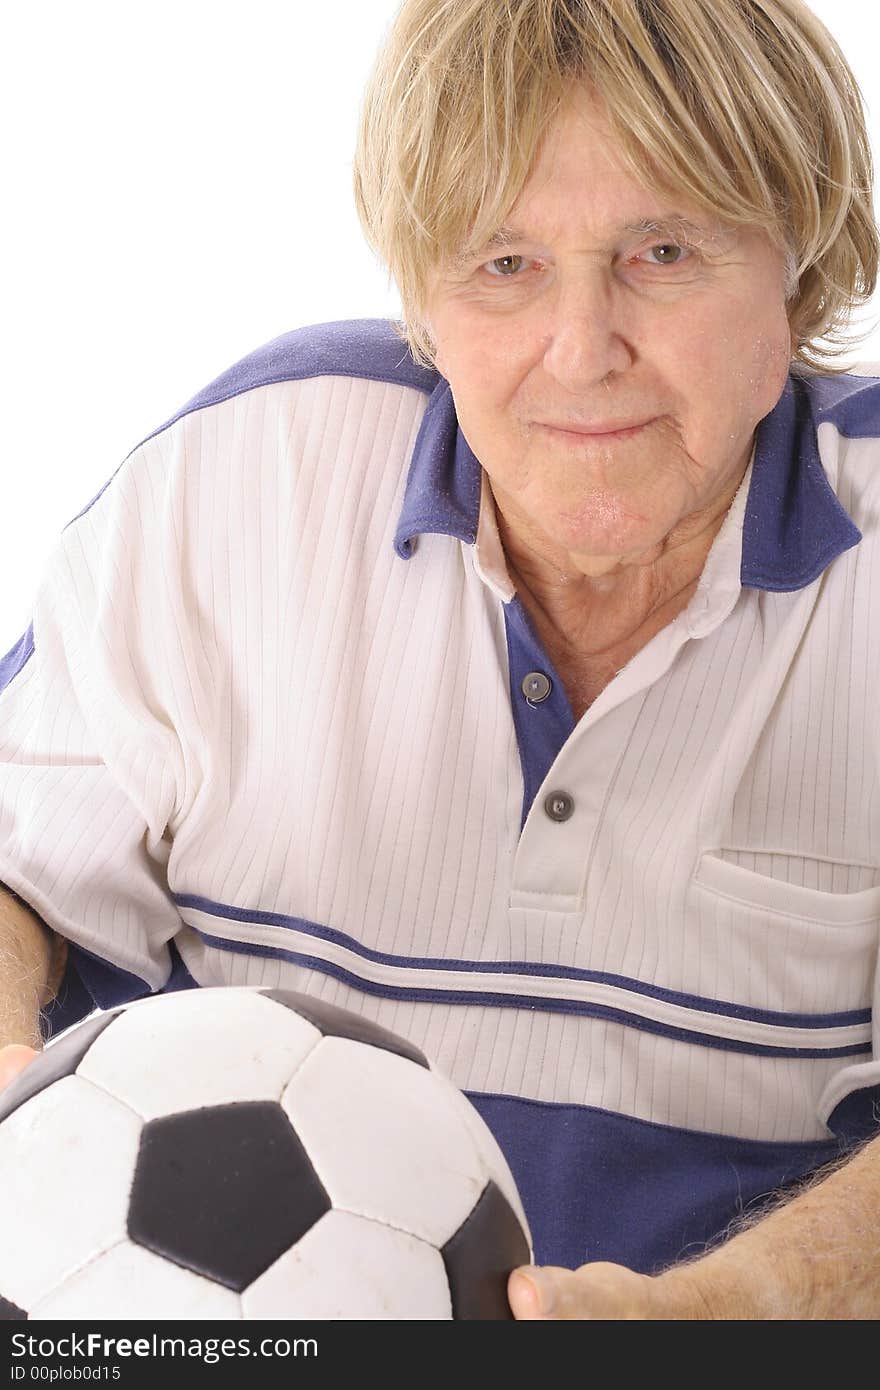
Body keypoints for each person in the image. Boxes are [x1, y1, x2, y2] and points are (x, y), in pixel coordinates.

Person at [1, 0, 880, 1320]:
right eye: (506, 265)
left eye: (662, 250)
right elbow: (20, 862)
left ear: (797, 275)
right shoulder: (236, 486)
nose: (583, 353)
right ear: (421, 295)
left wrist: (746, 1306)